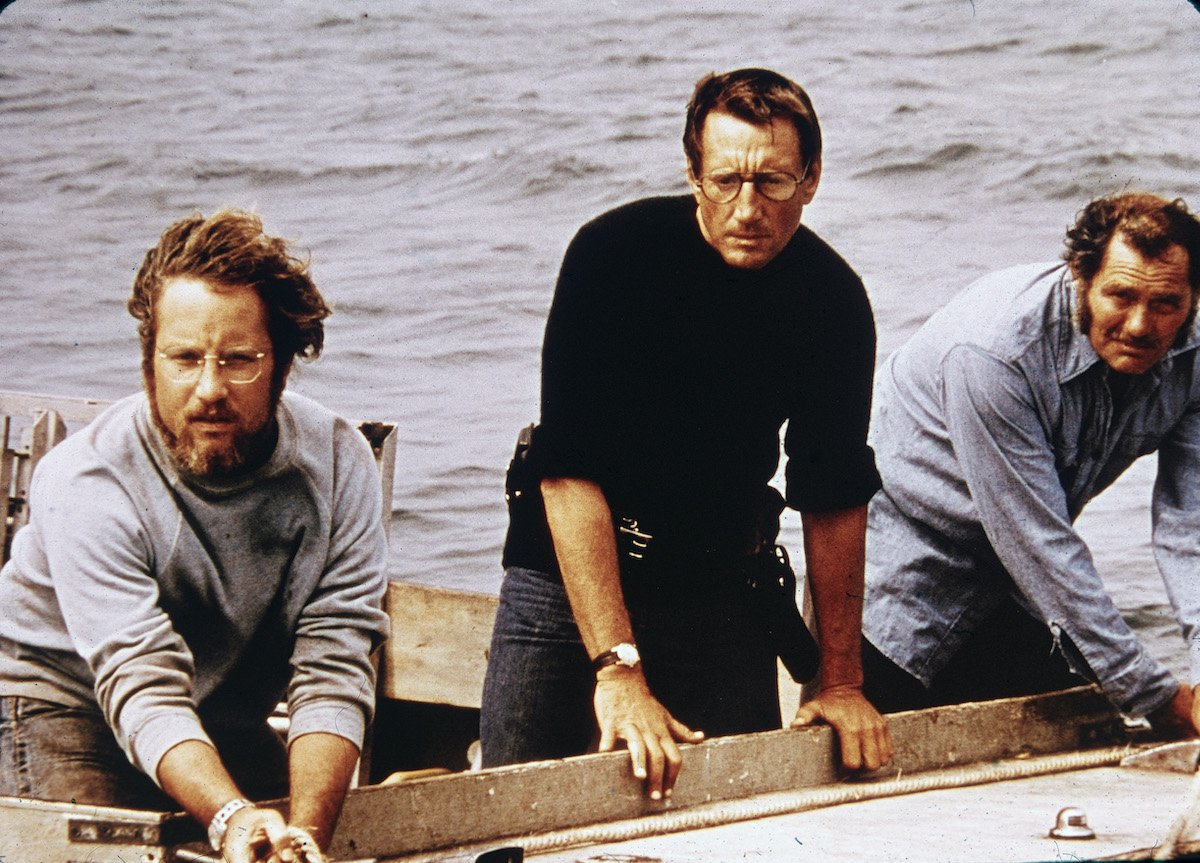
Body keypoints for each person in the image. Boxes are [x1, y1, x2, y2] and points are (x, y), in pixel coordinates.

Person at [481, 67, 893, 800]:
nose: (748, 207)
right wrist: (619, 668)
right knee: (515, 815)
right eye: (726, 179)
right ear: (693, 173)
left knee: (742, 824)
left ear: (812, 179)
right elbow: (567, 472)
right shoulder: (612, 258)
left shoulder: (830, 298)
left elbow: (831, 494)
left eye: (773, 181)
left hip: (717, 585)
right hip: (567, 572)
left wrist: (841, 679)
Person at [0, 211, 390, 863]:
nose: (208, 389)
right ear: (149, 360)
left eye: (238, 360)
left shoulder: (339, 461)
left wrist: (306, 837)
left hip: (219, 712)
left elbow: (334, 660)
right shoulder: (87, 478)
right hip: (61, 703)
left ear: (283, 364)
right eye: (184, 359)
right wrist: (232, 814)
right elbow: (140, 678)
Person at [862, 192, 1200, 736]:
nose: (1141, 325)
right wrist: (1156, 696)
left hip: (1021, 589)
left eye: (1166, 304)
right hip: (899, 582)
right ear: (1080, 278)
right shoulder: (994, 354)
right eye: (1120, 295)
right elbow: (1039, 541)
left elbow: (1193, 527)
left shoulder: (1194, 353)